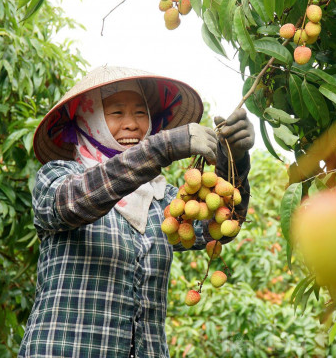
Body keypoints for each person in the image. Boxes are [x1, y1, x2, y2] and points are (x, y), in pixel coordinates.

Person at [19, 66, 254, 357]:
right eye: (116, 113)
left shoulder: (161, 199)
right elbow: (74, 202)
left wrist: (237, 161)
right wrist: (163, 148)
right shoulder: (56, 178)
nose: (132, 124)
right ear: (89, 119)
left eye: (140, 113)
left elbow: (216, 228)